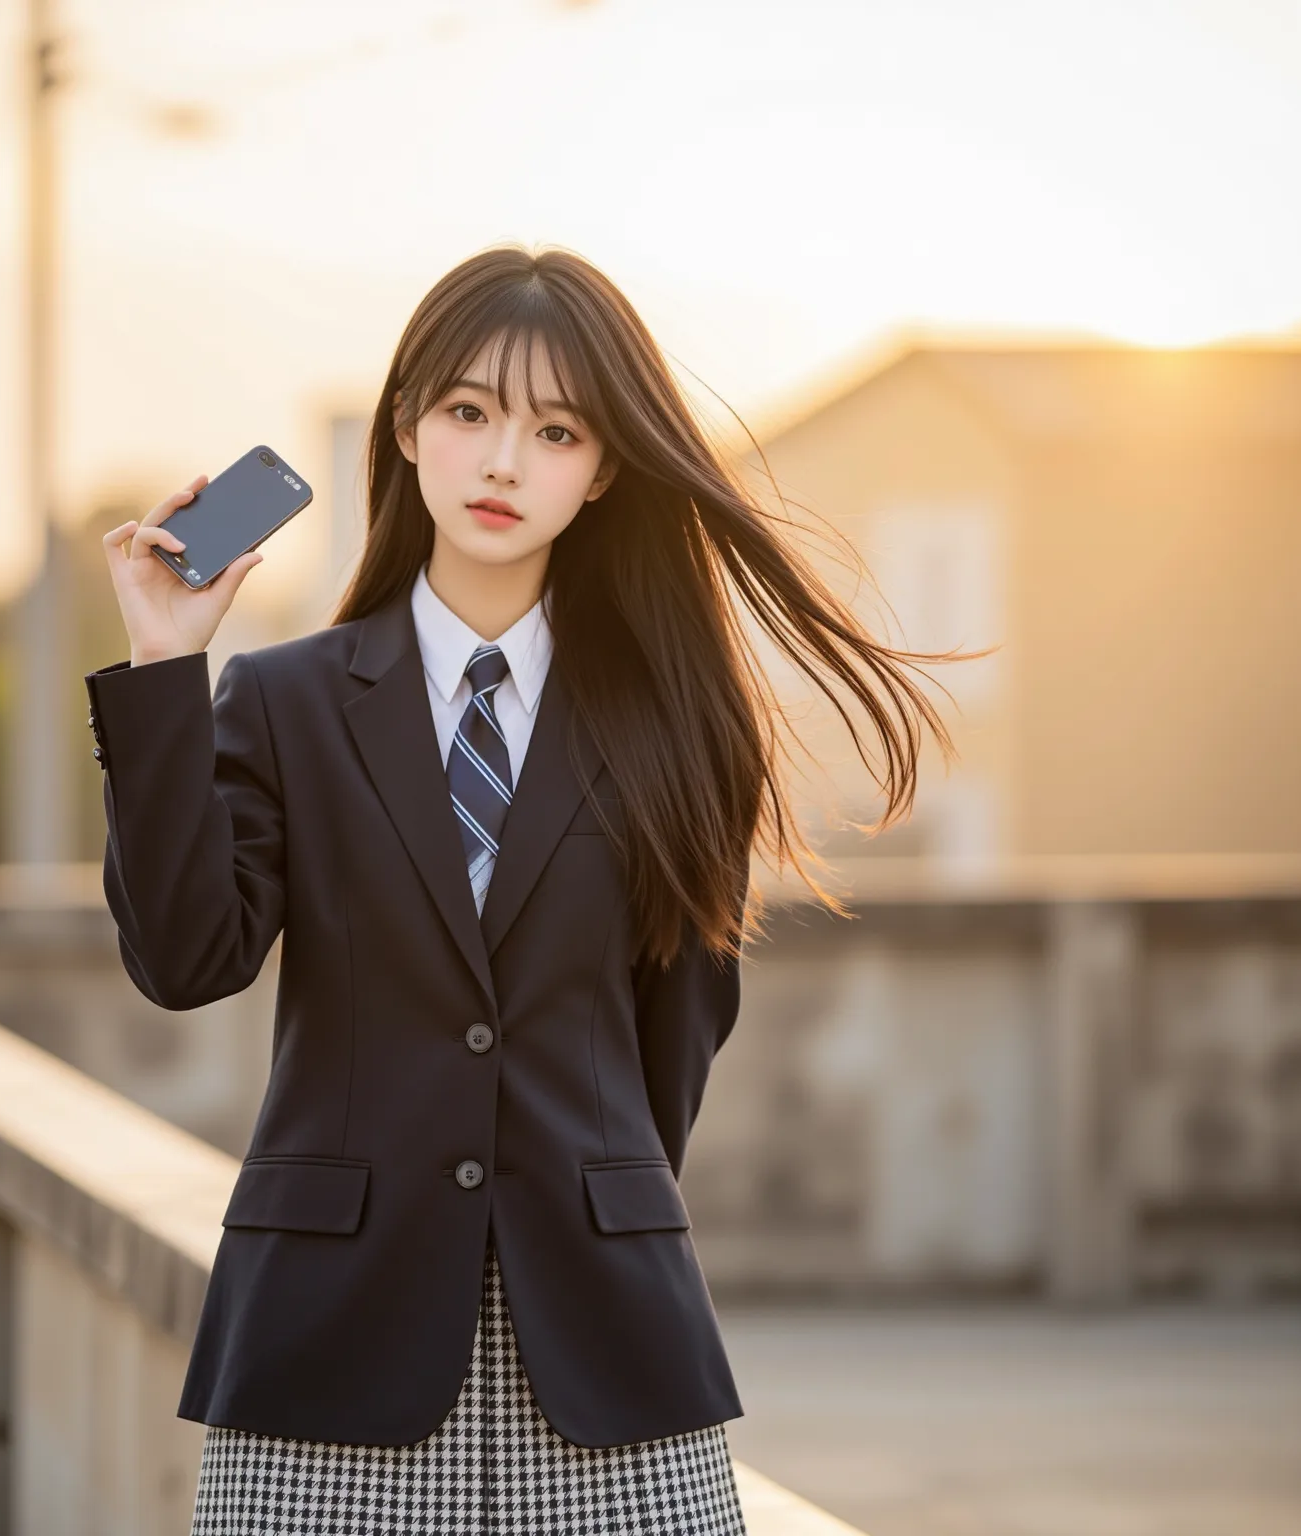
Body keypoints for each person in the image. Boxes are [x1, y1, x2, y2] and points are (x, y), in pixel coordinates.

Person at [86, 245, 956, 1535]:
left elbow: (678, 1035)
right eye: (471, 412)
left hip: (603, 1351)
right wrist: (164, 668)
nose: (504, 462)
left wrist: (588, 1206)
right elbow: (184, 959)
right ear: (409, 427)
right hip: (330, 1350)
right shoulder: (282, 702)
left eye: (555, 430)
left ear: (602, 470)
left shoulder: (675, 723)